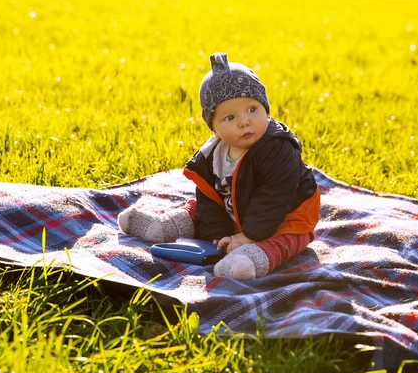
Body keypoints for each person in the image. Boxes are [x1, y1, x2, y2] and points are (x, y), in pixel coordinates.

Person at [118, 52, 320, 280]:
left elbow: (275, 197)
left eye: (252, 109)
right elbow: (209, 197)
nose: (244, 121)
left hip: (287, 215)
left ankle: (252, 258)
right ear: (214, 129)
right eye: (230, 118)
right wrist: (218, 238)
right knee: (199, 209)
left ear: (266, 110)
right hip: (235, 210)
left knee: (289, 239)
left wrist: (248, 236)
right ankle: (163, 227)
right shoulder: (212, 155)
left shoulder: (277, 148)